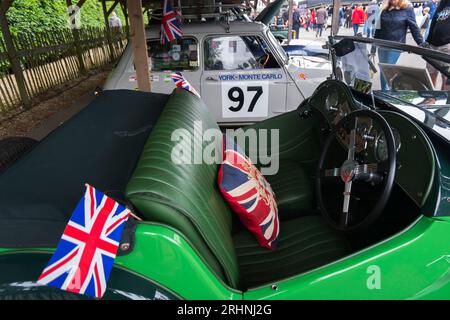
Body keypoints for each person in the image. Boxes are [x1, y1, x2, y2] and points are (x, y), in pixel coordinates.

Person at [374, 0, 424, 90]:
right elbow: (378, 28)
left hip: (395, 46)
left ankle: (386, 94)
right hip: (382, 44)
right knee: (383, 70)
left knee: (386, 69)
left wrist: (421, 43)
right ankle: (385, 92)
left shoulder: (407, 8)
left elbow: (414, 27)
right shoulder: (385, 8)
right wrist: (373, 44)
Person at [425, 0, 450, 90]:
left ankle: (444, 101)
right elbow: (433, 22)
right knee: (430, 75)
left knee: (446, 78)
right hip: (433, 45)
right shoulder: (442, 3)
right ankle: (431, 99)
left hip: (447, 45)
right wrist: (428, 41)